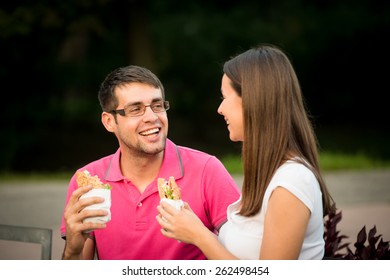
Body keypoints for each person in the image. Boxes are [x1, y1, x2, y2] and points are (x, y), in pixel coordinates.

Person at [157, 44, 335, 260]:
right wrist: (192, 226)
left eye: (225, 96)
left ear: (252, 99)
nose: (220, 109)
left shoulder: (292, 181)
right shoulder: (268, 175)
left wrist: (199, 235)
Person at [60, 65, 240, 260]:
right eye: (135, 109)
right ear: (109, 122)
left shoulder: (207, 170)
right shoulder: (87, 182)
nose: (152, 117)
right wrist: (72, 250)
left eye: (157, 106)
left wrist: (200, 235)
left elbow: (242, 263)